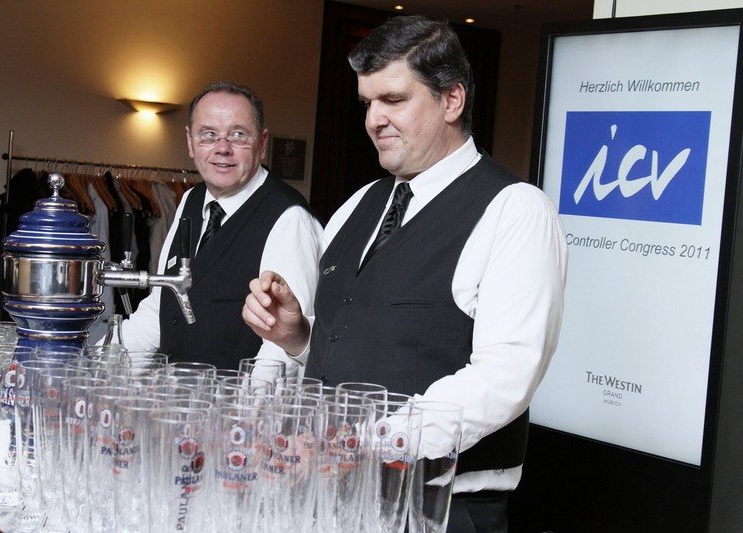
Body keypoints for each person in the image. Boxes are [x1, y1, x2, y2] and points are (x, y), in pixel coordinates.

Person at [242, 15, 567, 532]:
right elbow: (362, 341)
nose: (374, 119)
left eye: (393, 100)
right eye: (367, 103)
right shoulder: (358, 205)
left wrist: (363, 443)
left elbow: (506, 375)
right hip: (332, 502)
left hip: (439, 508)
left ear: (451, 100)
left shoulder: (516, 210)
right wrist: (298, 337)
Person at [121, 81, 323, 373]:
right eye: (209, 135)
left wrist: (252, 401)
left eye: (238, 135)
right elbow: (161, 305)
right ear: (190, 142)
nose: (222, 148)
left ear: (262, 144)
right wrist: (101, 369)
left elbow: (282, 347)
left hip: (237, 400)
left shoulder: (290, 218)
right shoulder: (191, 200)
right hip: (176, 395)